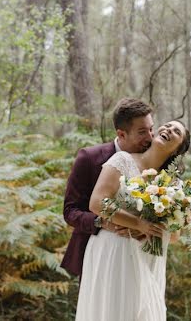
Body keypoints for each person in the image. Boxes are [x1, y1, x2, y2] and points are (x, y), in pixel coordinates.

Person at [75, 119, 191, 321]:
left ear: (177, 150)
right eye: (167, 125)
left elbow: (174, 236)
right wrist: (137, 223)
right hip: (114, 251)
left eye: (176, 132)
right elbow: (96, 203)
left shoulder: (174, 185)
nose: (169, 130)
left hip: (149, 257)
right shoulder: (122, 160)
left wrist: (149, 228)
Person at [61, 98, 155, 278]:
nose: (150, 137)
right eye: (142, 132)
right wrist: (104, 222)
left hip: (141, 258)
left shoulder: (152, 162)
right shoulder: (89, 158)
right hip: (97, 255)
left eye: (151, 129)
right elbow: (70, 211)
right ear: (121, 134)